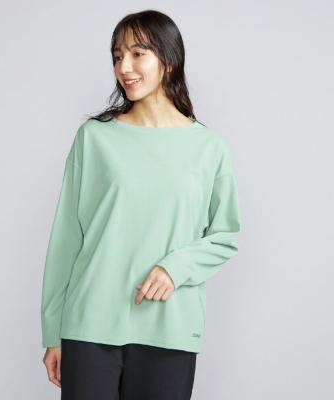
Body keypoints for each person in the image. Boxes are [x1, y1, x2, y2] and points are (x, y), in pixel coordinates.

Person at [41, 9, 241, 400]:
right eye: (117, 56)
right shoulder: (94, 138)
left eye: (137, 54)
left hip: (169, 328)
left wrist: (175, 268)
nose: (124, 67)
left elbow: (225, 235)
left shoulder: (208, 147)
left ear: (169, 60)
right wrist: (53, 331)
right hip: (89, 326)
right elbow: (66, 238)